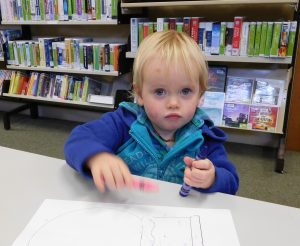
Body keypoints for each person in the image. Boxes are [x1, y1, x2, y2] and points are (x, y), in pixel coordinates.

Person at [64, 30, 239, 195]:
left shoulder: (206, 138)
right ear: (140, 94)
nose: (173, 103)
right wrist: (96, 156)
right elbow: (78, 139)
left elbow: (231, 183)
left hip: (179, 217)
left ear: (200, 95)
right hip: (126, 210)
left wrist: (213, 178)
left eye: (185, 91)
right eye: (160, 92)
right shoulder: (123, 122)